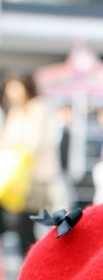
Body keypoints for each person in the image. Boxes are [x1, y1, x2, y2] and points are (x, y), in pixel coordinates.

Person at [0, 73, 62, 256]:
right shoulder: (15, 111)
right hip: (17, 180)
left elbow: (35, 143)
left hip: (37, 178)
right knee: (21, 226)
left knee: (30, 224)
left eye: (15, 87)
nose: (12, 92)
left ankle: (34, 262)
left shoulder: (40, 108)